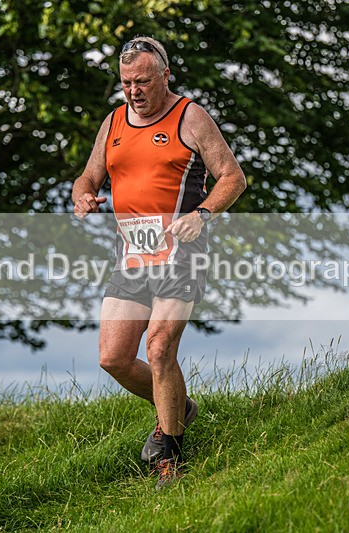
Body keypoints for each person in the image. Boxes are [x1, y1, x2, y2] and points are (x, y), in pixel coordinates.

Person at [72, 36, 246, 490]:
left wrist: (203, 213)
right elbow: (88, 175)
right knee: (112, 357)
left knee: (159, 346)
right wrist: (83, 195)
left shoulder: (190, 117)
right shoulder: (113, 122)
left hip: (180, 249)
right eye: (126, 82)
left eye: (143, 81)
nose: (133, 91)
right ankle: (180, 408)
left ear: (165, 76)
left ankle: (168, 456)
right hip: (130, 253)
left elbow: (233, 176)